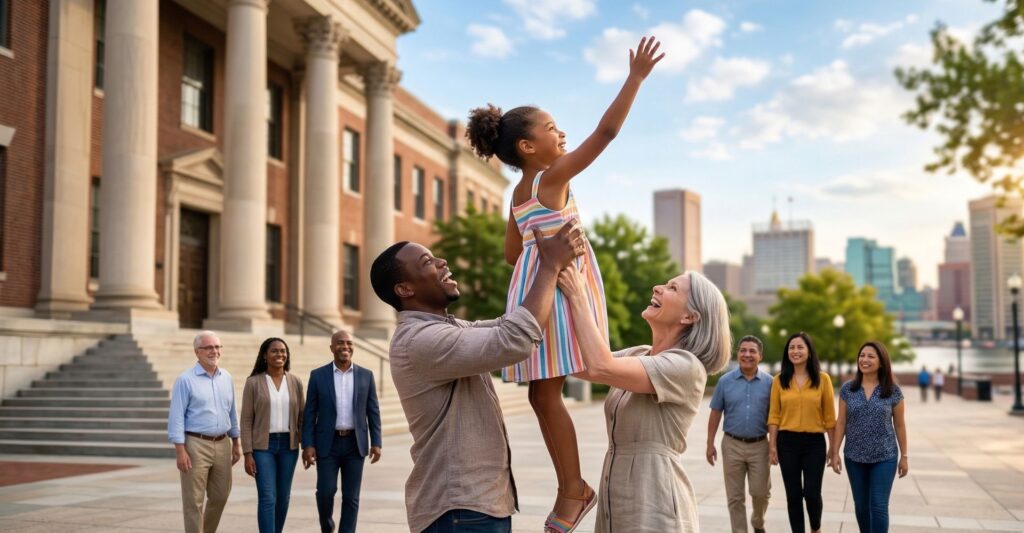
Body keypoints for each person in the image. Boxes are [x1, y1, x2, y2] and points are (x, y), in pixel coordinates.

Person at [463, 36, 664, 533]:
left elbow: (513, 252)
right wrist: (635, 78)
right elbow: (607, 133)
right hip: (555, 285)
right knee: (550, 389)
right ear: (529, 147)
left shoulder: (519, 191)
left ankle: (572, 488)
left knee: (546, 391)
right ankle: (573, 488)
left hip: (536, 285)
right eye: (552, 128)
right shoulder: (551, 178)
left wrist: (539, 243)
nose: (563, 133)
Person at [369, 221, 584, 533]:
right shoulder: (419, 340)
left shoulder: (449, 329)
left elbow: (508, 326)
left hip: (475, 508)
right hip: (459, 511)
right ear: (405, 289)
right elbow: (515, 338)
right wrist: (549, 265)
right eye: (428, 262)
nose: (442, 262)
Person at [557, 264, 731, 533]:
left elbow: (600, 366)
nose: (657, 287)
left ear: (690, 316)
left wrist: (578, 294)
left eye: (672, 288)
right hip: (617, 500)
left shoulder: (686, 366)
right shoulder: (640, 353)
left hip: (656, 502)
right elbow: (579, 364)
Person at [302, 330, 382, 533]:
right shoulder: (318, 376)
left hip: (356, 444)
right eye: (340, 343)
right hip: (328, 444)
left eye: (348, 343)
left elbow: (373, 411)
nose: (345, 347)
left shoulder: (366, 375)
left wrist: (377, 442)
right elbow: (310, 414)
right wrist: (308, 444)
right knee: (325, 492)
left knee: (351, 497)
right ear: (332, 348)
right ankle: (327, 526)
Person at [830, 341, 909, 532]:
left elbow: (899, 424)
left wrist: (904, 456)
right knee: (862, 507)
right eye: (862, 355)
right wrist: (834, 452)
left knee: (879, 506)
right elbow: (841, 422)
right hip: (854, 456)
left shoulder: (892, 390)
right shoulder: (848, 389)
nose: (864, 360)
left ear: (881, 362)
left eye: (870, 356)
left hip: (885, 456)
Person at [167, 330, 242, 533]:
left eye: (217, 347)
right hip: (195, 445)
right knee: (194, 501)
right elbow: (176, 417)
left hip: (223, 442)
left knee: (220, 496)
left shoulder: (226, 377)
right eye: (208, 347)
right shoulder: (185, 380)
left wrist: (236, 442)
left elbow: (232, 411)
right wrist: (180, 450)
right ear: (197, 352)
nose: (214, 351)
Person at [767, 332, 836, 533]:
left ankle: (816, 528)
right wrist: (772, 446)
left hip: (814, 443)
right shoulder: (779, 381)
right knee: (793, 495)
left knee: (812, 493)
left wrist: (833, 449)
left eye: (800, 347)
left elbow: (830, 418)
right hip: (787, 443)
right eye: (791, 347)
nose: (795, 351)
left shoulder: (823, 379)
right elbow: (774, 416)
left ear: (809, 351)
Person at [706, 335, 773, 533]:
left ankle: (758, 522)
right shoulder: (725, 382)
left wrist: (774, 446)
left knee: (761, 492)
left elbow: (775, 417)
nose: (747, 354)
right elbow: (715, 412)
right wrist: (710, 443)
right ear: (738, 354)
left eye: (752, 351)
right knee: (735, 497)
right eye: (743, 350)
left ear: (760, 356)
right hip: (732, 444)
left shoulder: (771, 384)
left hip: (760, 445)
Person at [241, 337, 305, 533]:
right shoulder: (253, 382)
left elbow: (302, 417)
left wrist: (308, 446)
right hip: (263, 448)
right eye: (274, 351)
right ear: (265, 355)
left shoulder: (295, 381)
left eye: (283, 351)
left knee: (283, 497)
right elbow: (246, 420)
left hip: (289, 446)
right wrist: (248, 453)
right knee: (268, 496)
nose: (280, 355)